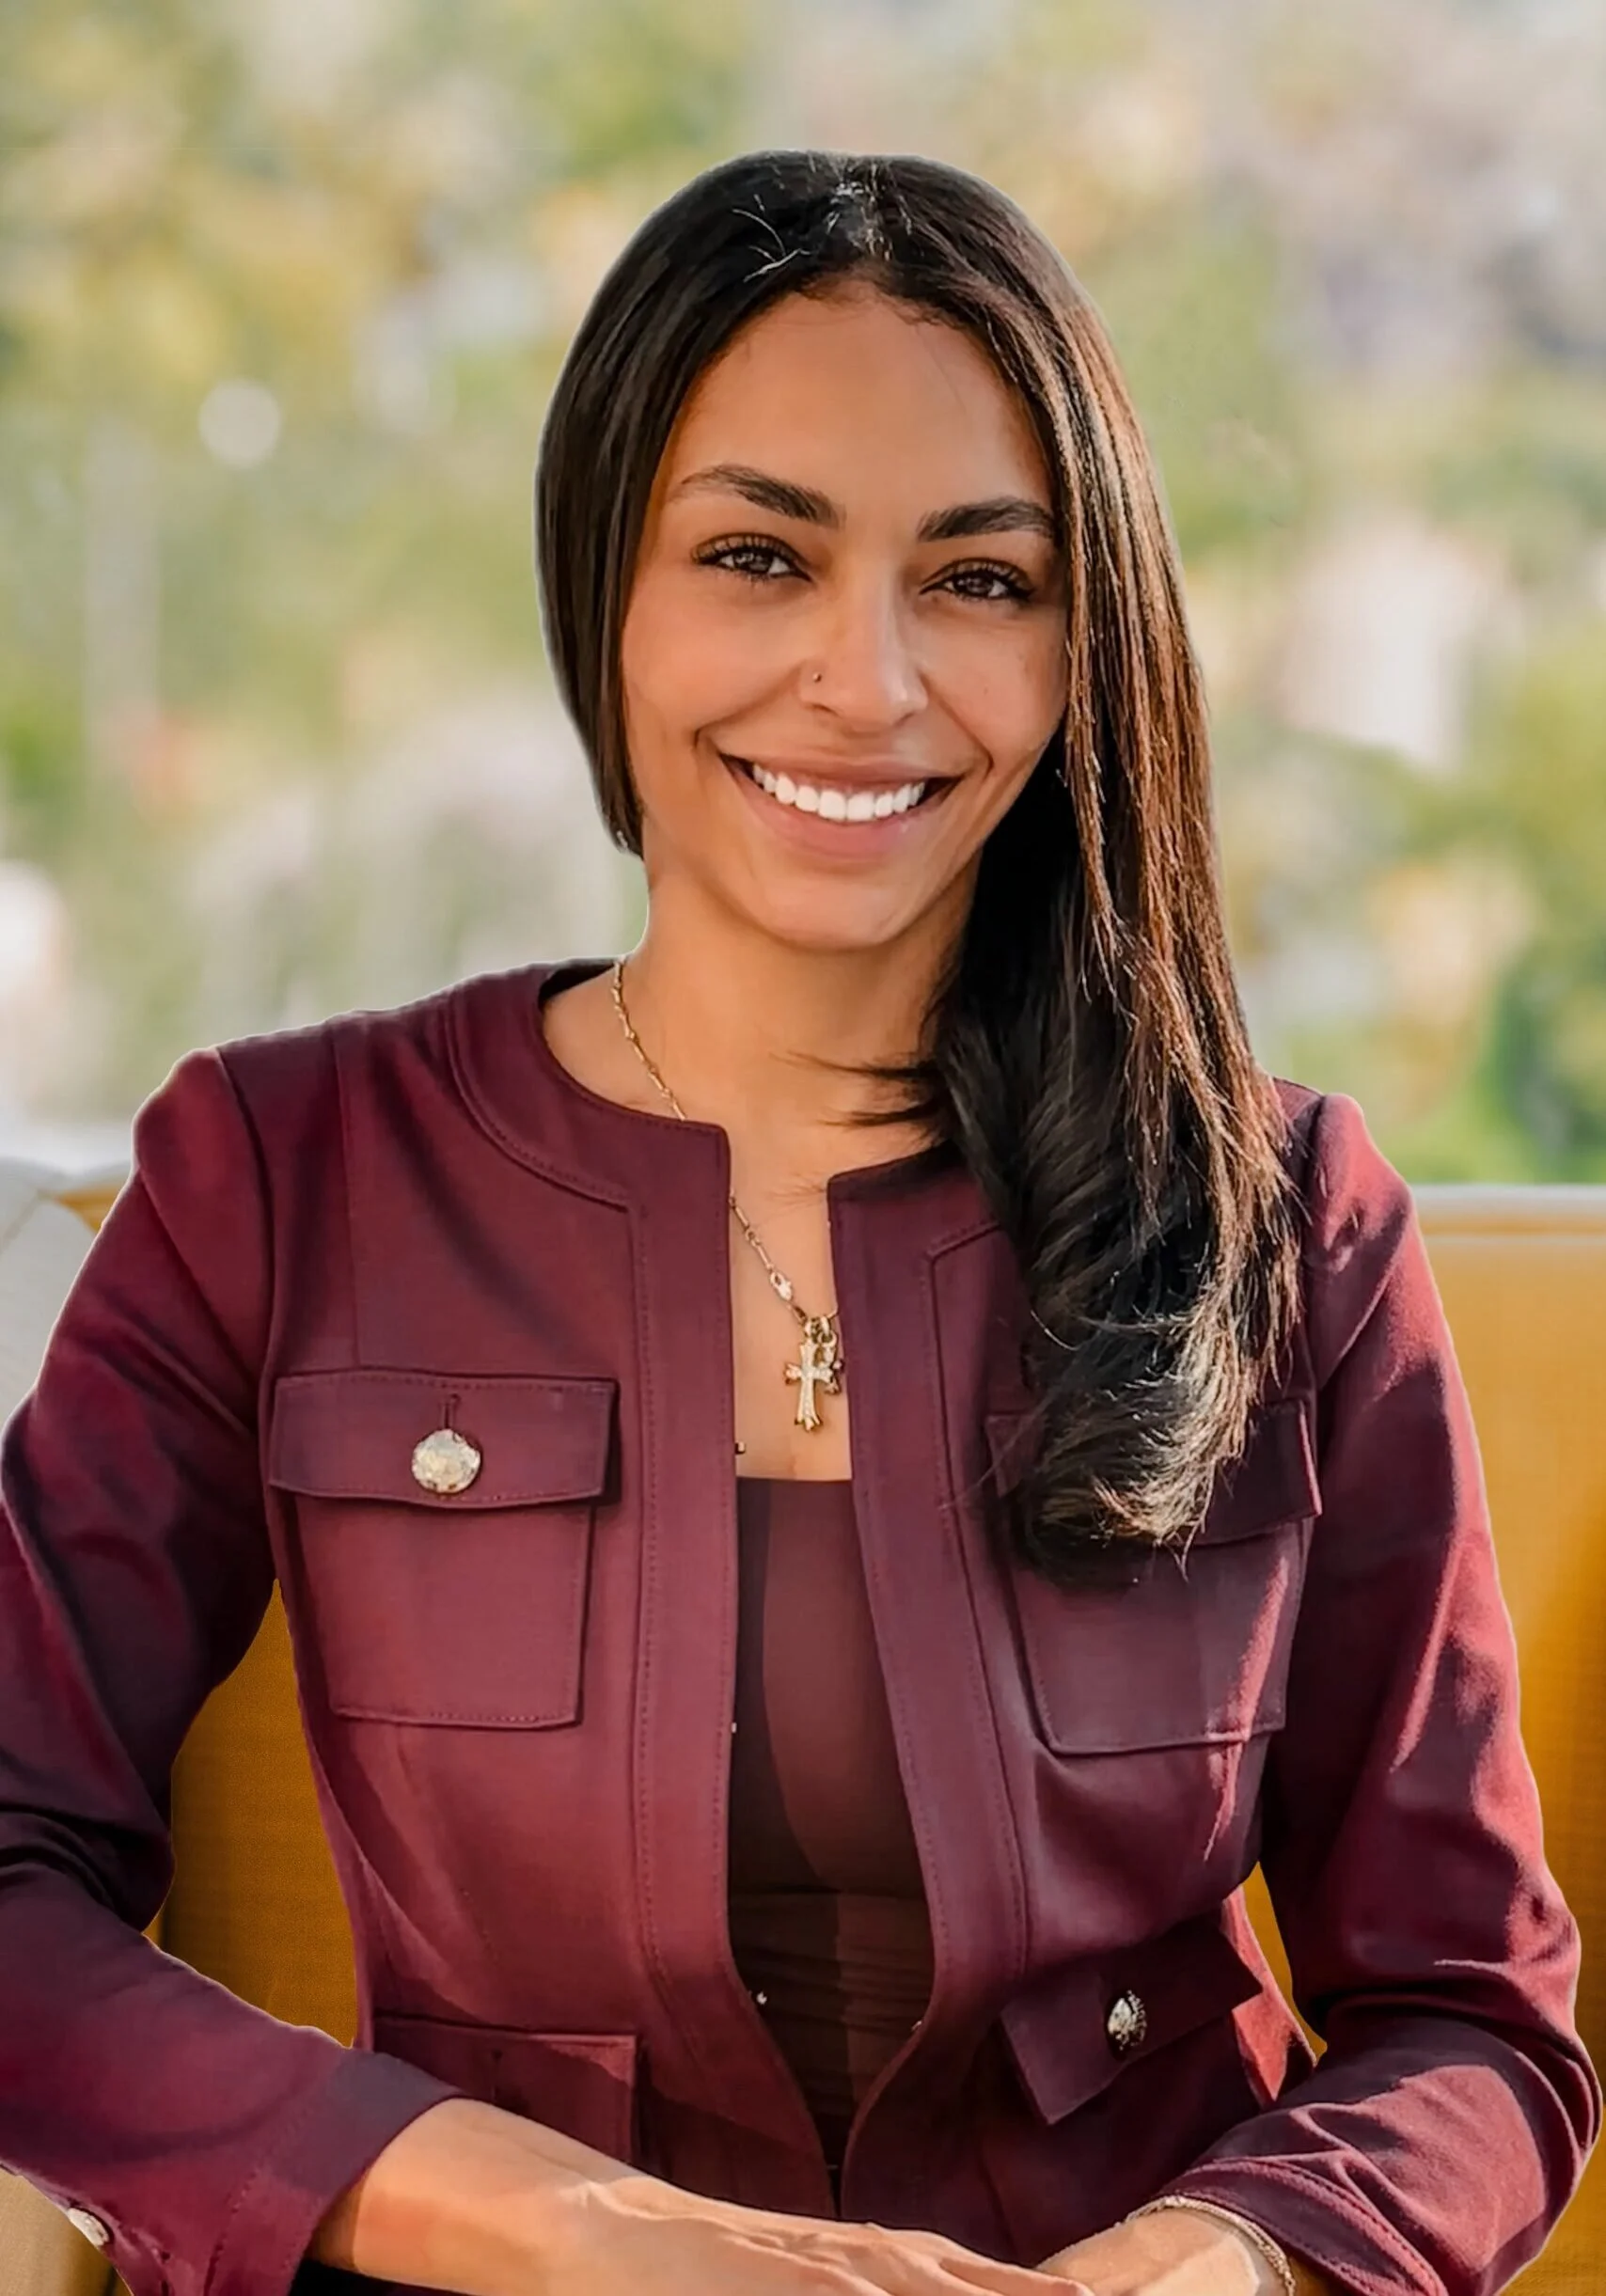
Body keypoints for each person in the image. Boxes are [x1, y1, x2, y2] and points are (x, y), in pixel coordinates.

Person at [0, 149, 1596, 2296]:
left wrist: (1209, 2272)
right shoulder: (274, 1181)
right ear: (607, 589)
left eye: (978, 579)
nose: (867, 683)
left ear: (1076, 636)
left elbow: (1470, 2025)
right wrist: (560, 2227)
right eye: (757, 554)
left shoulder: (1291, 1223)